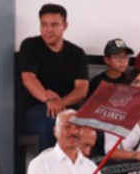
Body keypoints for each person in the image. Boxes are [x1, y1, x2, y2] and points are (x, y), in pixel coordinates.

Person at [18, 3, 89, 151]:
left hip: (68, 109)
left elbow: (82, 89)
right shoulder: (30, 46)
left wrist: (60, 102)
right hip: (38, 109)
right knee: (53, 125)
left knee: (94, 128)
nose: (48, 30)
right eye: (44, 24)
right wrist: (48, 100)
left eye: (54, 25)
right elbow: (28, 78)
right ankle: (50, 165)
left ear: (65, 26)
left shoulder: (76, 53)